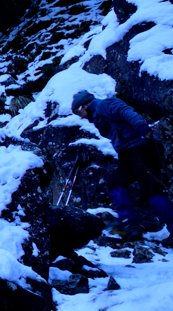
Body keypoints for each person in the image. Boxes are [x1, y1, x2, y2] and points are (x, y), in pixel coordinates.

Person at [72, 90, 173, 239]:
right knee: (115, 183)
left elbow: (125, 111)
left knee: (152, 191)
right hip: (128, 152)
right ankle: (129, 225)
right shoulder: (97, 115)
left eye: (77, 111)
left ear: (84, 105)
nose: (78, 115)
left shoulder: (103, 105)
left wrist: (142, 128)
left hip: (140, 147)